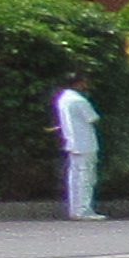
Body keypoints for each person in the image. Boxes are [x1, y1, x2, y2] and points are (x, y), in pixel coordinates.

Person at [52, 84, 101, 222]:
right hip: (86, 143)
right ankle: (84, 210)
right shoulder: (79, 100)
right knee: (86, 177)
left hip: (72, 143)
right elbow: (93, 118)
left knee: (74, 178)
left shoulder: (63, 99)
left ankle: (75, 209)